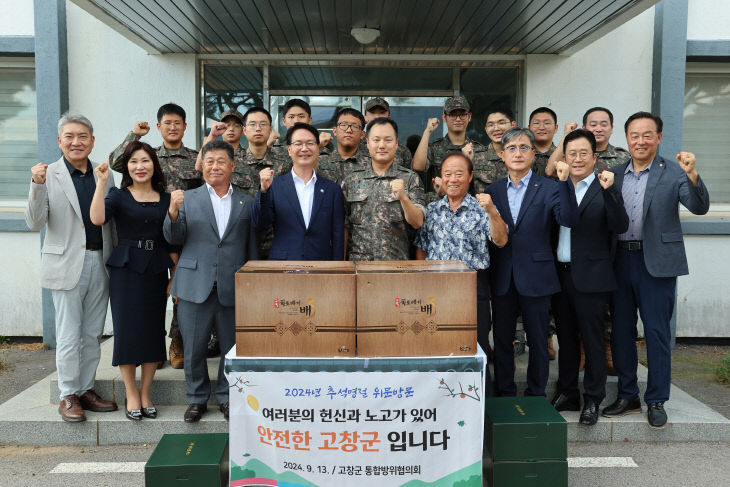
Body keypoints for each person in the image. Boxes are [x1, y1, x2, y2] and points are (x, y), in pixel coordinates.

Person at [601, 112, 710, 428]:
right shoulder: (615, 173)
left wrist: (693, 175)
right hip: (620, 260)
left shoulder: (674, 171)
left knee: (657, 333)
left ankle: (657, 399)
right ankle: (627, 395)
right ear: (626, 138)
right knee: (621, 332)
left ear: (659, 137)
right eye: (634, 135)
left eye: (647, 135)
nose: (640, 141)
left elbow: (698, 206)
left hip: (657, 264)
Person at [25, 113, 118, 422]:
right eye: (70, 136)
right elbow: (35, 222)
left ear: (92, 140)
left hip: (99, 262)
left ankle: (86, 389)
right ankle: (68, 394)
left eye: (83, 136)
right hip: (65, 264)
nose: (76, 142)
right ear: (59, 141)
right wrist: (36, 186)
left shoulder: (104, 174)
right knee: (68, 334)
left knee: (92, 333)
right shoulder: (47, 174)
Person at [164, 140, 258, 422]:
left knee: (231, 347)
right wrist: (172, 212)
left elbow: (251, 248)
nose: (214, 166)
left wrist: (251, 286)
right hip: (195, 283)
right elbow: (173, 239)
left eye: (220, 161)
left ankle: (227, 397)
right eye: (209, 161)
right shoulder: (186, 198)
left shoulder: (246, 201)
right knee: (193, 347)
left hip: (232, 285)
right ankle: (196, 399)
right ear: (201, 165)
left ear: (232, 166)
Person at [484, 127, 578, 397]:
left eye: (524, 147)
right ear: (502, 155)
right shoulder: (493, 191)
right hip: (502, 275)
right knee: (502, 339)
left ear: (533, 154)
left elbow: (568, 220)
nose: (518, 153)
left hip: (537, 275)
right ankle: (504, 391)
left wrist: (565, 184)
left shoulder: (550, 187)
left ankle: (536, 394)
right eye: (511, 148)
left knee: (538, 340)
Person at [109, 102, 202, 370]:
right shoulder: (149, 155)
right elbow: (117, 162)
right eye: (167, 123)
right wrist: (134, 135)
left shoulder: (194, 158)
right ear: (159, 126)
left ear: (185, 126)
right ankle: (154, 347)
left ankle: (177, 340)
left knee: (179, 291)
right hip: (151, 230)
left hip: (185, 232)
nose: (172, 127)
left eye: (178, 123)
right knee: (151, 297)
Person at [89, 141, 177, 421]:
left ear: (155, 165)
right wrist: (101, 183)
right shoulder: (118, 195)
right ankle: (131, 392)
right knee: (127, 332)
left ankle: (147, 392)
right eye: (134, 162)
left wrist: (174, 276)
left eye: (145, 161)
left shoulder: (165, 198)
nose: (140, 167)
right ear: (126, 167)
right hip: (125, 269)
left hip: (155, 269)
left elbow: (171, 240)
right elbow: (97, 218)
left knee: (152, 331)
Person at [549, 130, 629, 426]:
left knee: (593, 341)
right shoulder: (556, 185)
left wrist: (609, 192)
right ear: (564, 158)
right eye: (572, 153)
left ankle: (592, 398)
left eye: (584, 153)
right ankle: (567, 391)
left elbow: (620, 225)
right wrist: (560, 185)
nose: (578, 159)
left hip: (592, 277)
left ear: (595, 158)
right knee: (566, 339)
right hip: (561, 274)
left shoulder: (604, 185)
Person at [414, 153, 508, 365]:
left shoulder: (482, 209)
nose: (453, 179)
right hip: (435, 288)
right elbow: (421, 247)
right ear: (441, 177)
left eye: (459, 174)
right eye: (448, 174)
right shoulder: (432, 210)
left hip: (473, 286)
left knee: (476, 345)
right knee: (436, 342)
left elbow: (501, 240)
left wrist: (492, 212)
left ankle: (479, 394)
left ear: (470, 176)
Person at [198, 107, 291, 259]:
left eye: (263, 124)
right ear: (245, 130)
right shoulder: (232, 161)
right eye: (253, 124)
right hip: (240, 237)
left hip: (277, 238)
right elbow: (201, 169)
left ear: (270, 129)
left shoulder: (284, 161)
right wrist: (212, 136)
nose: (258, 128)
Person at [254, 123, 345, 260]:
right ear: (289, 150)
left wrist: (337, 270)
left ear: (318, 148)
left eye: (310, 143)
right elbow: (260, 223)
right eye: (298, 144)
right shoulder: (275, 185)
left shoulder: (332, 189)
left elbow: (338, 235)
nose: (304, 148)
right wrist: (263, 191)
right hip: (284, 266)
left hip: (321, 266)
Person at [342, 118, 426, 261]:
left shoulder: (410, 178)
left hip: (395, 268)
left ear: (396, 144)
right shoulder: (352, 180)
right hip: (359, 267)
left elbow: (417, 222)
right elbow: (344, 227)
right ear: (368, 143)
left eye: (388, 140)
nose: (382, 145)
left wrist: (404, 198)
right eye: (376, 140)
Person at [412, 96, 487, 203]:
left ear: (469, 117)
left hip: (470, 211)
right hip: (439, 210)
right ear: (444, 117)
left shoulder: (479, 150)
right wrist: (427, 132)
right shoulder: (435, 148)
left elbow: (482, 187)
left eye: (462, 114)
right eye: (452, 114)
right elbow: (417, 167)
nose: (458, 119)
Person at [463, 107, 514, 194]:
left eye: (501, 123)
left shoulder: (522, 156)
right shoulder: (475, 157)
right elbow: (464, 191)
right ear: (486, 129)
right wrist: (465, 162)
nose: (496, 128)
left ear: (513, 125)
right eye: (490, 125)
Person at [317, 108, 371, 185]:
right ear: (335, 131)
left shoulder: (372, 163)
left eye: (355, 126)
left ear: (362, 134)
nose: (349, 130)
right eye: (343, 125)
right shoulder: (320, 161)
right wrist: (317, 146)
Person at [361, 97, 413, 169]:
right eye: (372, 113)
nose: (377, 116)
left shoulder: (401, 149)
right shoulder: (356, 144)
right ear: (365, 117)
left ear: (388, 117)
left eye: (382, 113)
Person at [268, 98, 333, 153]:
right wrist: (267, 146)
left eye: (301, 116)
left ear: (309, 120)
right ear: (284, 121)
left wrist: (319, 146)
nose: (296, 121)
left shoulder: (324, 144)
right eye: (291, 117)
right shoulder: (277, 149)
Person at [528, 107, 559, 176]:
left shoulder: (562, 156)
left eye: (547, 123)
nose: (541, 127)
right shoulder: (521, 154)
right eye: (536, 123)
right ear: (529, 128)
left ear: (556, 128)